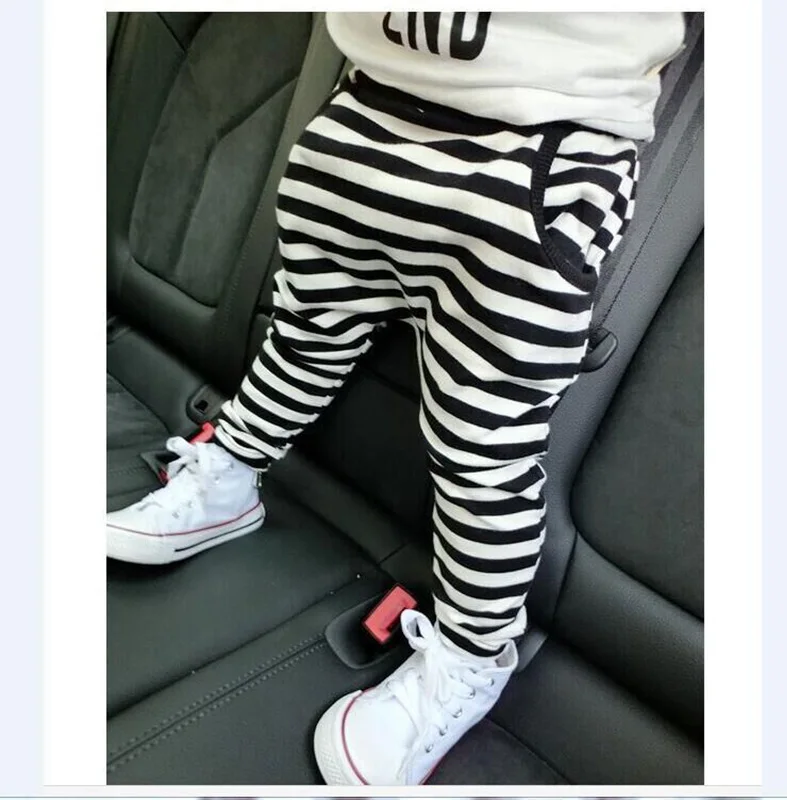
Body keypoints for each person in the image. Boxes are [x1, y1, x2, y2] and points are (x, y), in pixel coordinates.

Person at [106, 11, 686, 785]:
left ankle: (473, 653)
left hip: (541, 144)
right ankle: (231, 473)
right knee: (303, 333)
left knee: (484, 439)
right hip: (366, 106)